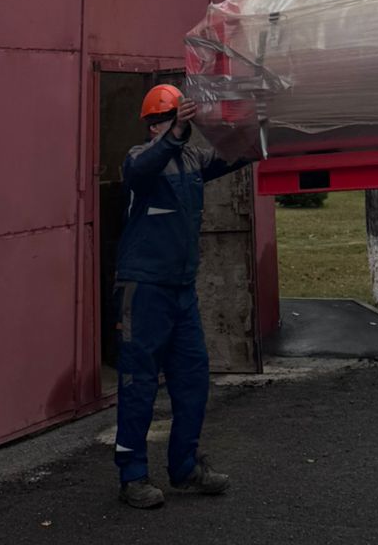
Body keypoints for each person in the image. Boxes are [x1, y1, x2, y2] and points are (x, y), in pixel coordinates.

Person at [113, 84, 252, 510]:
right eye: (174, 119)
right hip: (143, 290)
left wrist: (261, 128)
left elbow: (235, 154)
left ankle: (185, 467)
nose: (183, 127)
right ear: (157, 123)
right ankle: (133, 475)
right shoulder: (140, 157)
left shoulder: (191, 159)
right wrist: (175, 133)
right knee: (138, 385)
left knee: (192, 381)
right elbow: (141, 171)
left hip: (180, 291)